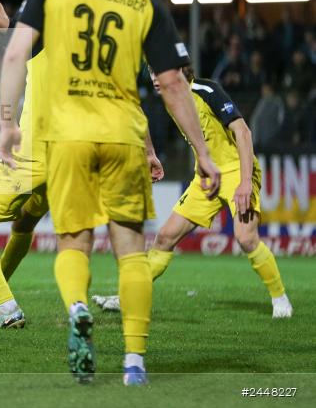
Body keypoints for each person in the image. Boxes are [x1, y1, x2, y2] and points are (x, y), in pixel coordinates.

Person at [0, 0, 221, 385]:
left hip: (67, 137)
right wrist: (203, 153)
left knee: (73, 241)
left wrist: (7, 122)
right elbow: (172, 84)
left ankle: (78, 308)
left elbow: (16, 51)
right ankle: (135, 363)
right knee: (131, 250)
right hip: (122, 135)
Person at [0, 0, 165, 329]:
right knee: (24, 222)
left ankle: (7, 307)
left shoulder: (41, 40)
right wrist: (149, 151)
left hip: (30, 153)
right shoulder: (97, 60)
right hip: (67, 159)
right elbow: (131, 105)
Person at [93, 67, 292, 318]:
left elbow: (243, 132)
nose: (154, 78)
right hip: (206, 178)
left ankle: (280, 299)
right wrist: (150, 153)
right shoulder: (171, 100)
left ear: (179, 69)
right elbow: (137, 112)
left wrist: (244, 182)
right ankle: (127, 298)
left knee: (245, 237)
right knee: (165, 236)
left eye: (159, 71)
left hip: (235, 171)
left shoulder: (207, 89)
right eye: (151, 73)